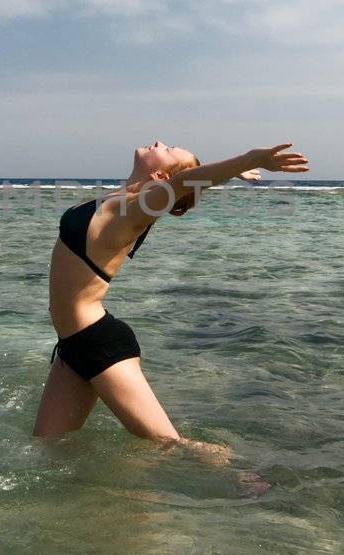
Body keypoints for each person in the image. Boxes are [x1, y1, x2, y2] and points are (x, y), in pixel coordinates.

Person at [32, 140, 311, 447]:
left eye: (168, 150)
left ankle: (249, 479)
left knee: (175, 447)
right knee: (47, 447)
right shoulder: (125, 199)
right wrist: (228, 173)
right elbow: (186, 182)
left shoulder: (133, 210)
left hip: (99, 344)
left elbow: (182, 182)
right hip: (72, 347)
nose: (159, 143)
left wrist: (245, 161)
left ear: (161, 180)